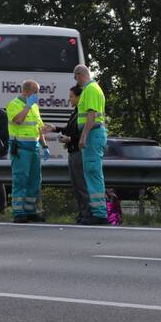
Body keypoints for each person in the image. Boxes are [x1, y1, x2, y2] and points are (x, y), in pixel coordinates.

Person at [6, 80, 49, 223]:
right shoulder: (14, 105)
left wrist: (45, 146)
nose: (37, 95)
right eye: (34, 91)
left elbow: (39, 128)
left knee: (35, 181)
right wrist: (28, 106)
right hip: (20, 148)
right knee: (20, 180)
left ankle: (30, 211)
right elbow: (18, 120)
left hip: (34, 149)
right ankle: (18, 212)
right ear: (25, 91)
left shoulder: (35, 107)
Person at [74, 64, 109, 224]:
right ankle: (96, 211)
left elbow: (91, 114)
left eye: (76, 77)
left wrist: (84, 136)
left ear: (81, 75)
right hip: (94, 134)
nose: (77, 81)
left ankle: (99, 213)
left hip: (93, 134)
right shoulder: (93, 89)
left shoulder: (91, 89)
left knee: (93, 172)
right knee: (91, 172)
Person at [57, 85, 92, 223]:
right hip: (72, 151)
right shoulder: (75, 112)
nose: (69, 99)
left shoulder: (81, 113)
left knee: (81, 184)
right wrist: (55, 128)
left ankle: (87, 213)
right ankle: (82, 213)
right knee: (76, 184)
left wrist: (70, 139)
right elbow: (70, 130)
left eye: (71, 96)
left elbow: (81, 133)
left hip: (79, 152)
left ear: (78, 97)